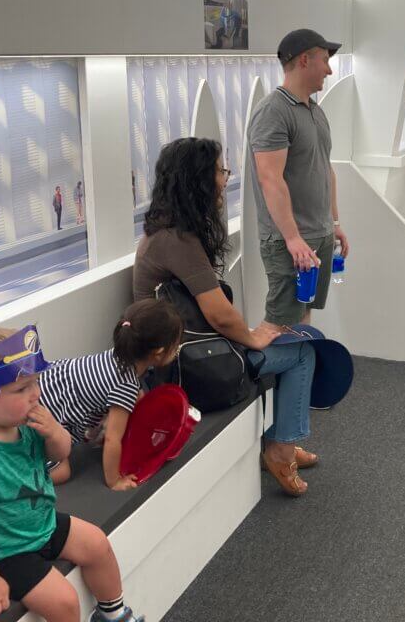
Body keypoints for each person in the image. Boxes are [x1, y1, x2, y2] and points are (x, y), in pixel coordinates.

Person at [135, 137, 320, 497]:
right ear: (199, 179)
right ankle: (280, 450)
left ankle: (280, 435)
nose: (225, 177)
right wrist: (254, 337)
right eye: (220, 170)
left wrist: (255, 333)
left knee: (291, 339)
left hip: (188, 353)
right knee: (302, 352)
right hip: (184, 368)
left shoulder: (168, 233)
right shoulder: (176, 240)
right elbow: (219, 315)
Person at [0, 326, 144, 621]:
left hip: (41, 525)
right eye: (21, 389)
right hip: (2, 552)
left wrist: (54, 432)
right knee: (64, 602)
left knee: (98, 544)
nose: (35, 395)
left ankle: (113, 614)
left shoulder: (25, 423)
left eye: (35, 383)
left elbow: (60, 453)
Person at [247, 28, 350, 327]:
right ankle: (260, 372)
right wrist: (292, 238)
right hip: (287, 240)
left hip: (318, 234)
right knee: (281, 321)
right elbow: (270, 179)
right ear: (305, 60)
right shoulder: (272, 112)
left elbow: (325, 169)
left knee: (302, 316)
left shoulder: (315, 111)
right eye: (325, 60)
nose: (329, 70)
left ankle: (300, 372)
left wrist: (334, 223)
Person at [39, 299, 183, 489]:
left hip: (42, 388)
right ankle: (17, 479)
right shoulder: (125, 386)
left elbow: (127, 396)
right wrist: (114, 480)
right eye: (176, 346)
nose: (177, 350)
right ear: (159, 352)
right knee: (63, 471)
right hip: (38, 420)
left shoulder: (118, 355)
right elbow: (112, 439)